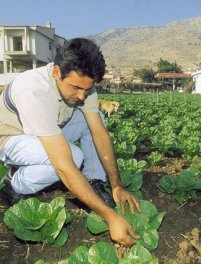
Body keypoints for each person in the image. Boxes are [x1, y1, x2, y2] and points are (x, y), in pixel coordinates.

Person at [0, 38, 141, 246]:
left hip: (47, 128)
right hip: (10, 136)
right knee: (73, 158)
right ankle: (14, 182)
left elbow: (99, 133)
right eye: (75, 88)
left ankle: (94, 181)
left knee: (97, 119)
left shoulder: (83, 87)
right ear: (56, 72)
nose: (82, 95)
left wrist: (117, 185)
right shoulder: (34, 90)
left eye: (87, 89)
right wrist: (110, 217)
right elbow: (64, 166)